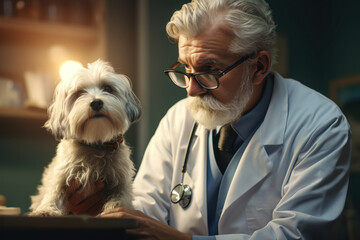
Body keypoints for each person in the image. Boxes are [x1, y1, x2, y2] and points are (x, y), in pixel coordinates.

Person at [66, 0, 352, 239]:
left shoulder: (321, 125)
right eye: (185, 68)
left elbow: (295, 234)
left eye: (209, 70)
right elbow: (142, 210)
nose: (191, 89)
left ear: (259, 67)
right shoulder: (178, 120)